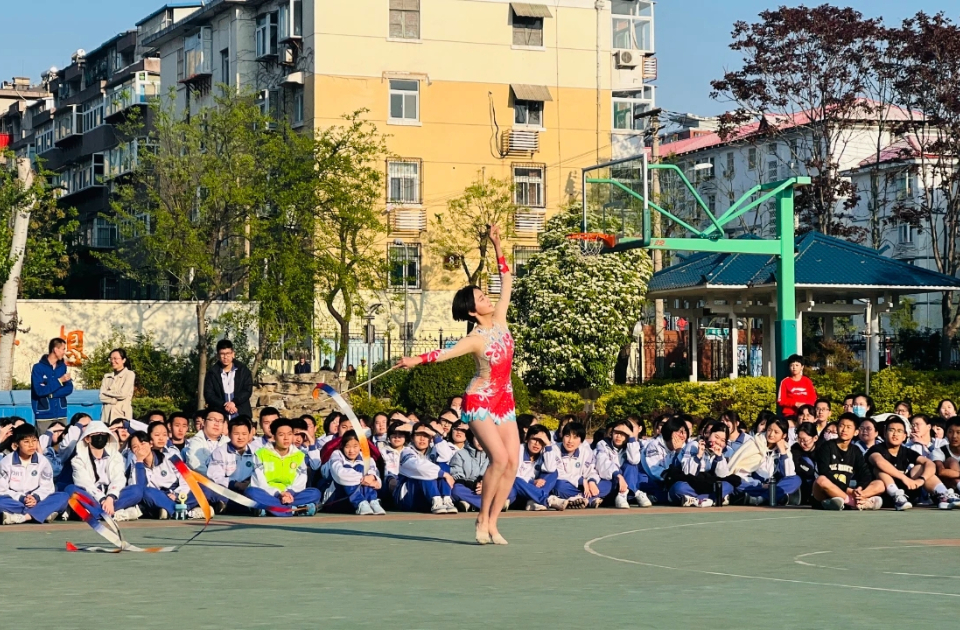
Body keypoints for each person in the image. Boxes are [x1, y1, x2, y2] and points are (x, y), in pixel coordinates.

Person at [397, 224, 518, 545]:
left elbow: (507, 280)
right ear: (472, 310)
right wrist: (414, 360)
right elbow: (444, 353)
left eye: (484, 294)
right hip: (479, 400)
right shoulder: (475, 338)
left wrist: (497, 244)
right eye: (480, 297)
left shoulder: (501, 318)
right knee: (499, 459)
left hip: (504, 399)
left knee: (513, 463)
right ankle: (481, 518)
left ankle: (493, 523)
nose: (487, 298)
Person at [867, 416, 960, 511]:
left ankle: (944, 495)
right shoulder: (876, 449)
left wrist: (921, 479)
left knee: (920, 467)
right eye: (891, 430)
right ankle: (896, 495)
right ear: (885, 433)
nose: (895, 434)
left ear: (904, 436)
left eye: (899, 431)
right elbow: (879, 462)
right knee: (880, 469)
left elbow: (929, 464)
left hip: (907, 495)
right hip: (883, 494)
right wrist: (904, 478)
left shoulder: (907, 451)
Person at [65, 421, 145, 522]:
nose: (100, 437)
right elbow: (85, 483)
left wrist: (110, 498)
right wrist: (102, 499)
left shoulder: (116, 456)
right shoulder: (78, 459)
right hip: (92, 496)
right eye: (96, 434)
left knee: (136, 490)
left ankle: (97, 513)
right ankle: (113, 513)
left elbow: (119, 478)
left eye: (103, 434)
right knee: (70, 489)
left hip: (113, 496)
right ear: (87, 438)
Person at [246, 418, 320, 516]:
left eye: (289, 434)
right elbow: (259, 482)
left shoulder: (299, 455)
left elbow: (300, 481)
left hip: (291, 495)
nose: (286, 438)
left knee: (315, 493)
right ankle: (294, 510)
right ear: (274, 436)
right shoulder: (261, 454)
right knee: (251, 492)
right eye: (281, 435)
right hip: (269, 494)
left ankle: (270, 509)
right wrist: (279, 494)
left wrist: (288, 493)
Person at [811, 414, 883, 511]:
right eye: (841, 426)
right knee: (821, 480)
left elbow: (865, 473)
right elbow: (824, 472)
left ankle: (859, 499)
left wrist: (860, 488)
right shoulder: (826, 447)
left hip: (846, 493)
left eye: (849, 427)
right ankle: (855, 503)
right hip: (825, 492)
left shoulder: (855, 451)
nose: (844, 430)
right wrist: (848, 490)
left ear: (856, 432)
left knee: (880, 484)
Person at [0, 424, 69, 524]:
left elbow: (47, 488)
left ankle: (23, 517)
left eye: (34, 440)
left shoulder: (43, 461)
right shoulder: (6, 462)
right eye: (26, 442)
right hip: (16, 501)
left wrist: (35, 497)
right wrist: (22, 498)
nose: (31, 445)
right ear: (15, 445)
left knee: (63, 496)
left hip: (37, 500)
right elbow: (2, 490)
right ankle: (43, 512)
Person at [731, 418, 802, 506]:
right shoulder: (754, 444)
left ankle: (762, 498)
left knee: (796, 480)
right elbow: (739, 474)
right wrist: (760, 485)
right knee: (737, 483)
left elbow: (789, 475)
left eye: (776, 432)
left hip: (773, 485)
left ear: (784, 435)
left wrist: (783, 452)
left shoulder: (785, 448)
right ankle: (774, 496)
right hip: (755, 485)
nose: (771, 434)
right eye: (769, 430)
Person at [393, 422, 456, 514]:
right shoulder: (406, 451)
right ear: (412, 438)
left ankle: (445, 499)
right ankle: (436, 500)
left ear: (431, 439)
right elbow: (418, 466)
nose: (422, 439)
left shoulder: (434, 449)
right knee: (425, 471)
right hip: (408, 498)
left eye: (426, 435)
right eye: (418, 435)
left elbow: (447, 457)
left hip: (425, 498)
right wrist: (444, 474)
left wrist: (436, 436)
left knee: (443, 464)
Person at [206, 416, 258, 514]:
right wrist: (235, 484)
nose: (240, 437)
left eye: (244, 434)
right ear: (229, 434)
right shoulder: (220, 452)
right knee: (208, 489)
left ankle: (231, 507)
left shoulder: (257, 452)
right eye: (236, 434)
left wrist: (249, 484)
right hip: (227, 491)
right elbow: (215, 477)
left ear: (249, 434)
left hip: (249, 489)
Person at [594, 419, 650, 508]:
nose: (618, 436)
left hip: (627, 484)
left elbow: (634, 460)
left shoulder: (632, 444)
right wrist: (618, 475)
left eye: (623, 433)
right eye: (616, 432)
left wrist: (631, 437)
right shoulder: (603, 444)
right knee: (602, 487)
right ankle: (635, 492)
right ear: (612, 433)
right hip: (611, 481)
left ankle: (623, 495)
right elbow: (603, 464)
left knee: (631, 465)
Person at [327, 430, 385, 515]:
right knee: (353, 470)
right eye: (347, 447)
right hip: (337, 499)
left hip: (357, 500)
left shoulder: (367, 458)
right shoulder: (337, 454)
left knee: (363, 469)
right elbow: (340, 474)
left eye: (355, 446)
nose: (351, 450)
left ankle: (372, 501)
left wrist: (372, 477)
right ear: (342, 446)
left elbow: (377, 480)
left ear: (361, 446)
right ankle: (360, 502)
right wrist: (365, 479)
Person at [545, 421, 599, 509]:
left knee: (606, 485)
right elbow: (558, 474)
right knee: (558, 486)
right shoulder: (554, 450)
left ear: (581, 441)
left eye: (575, 437)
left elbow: (591, 470)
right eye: (567, 436)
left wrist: (591, 481)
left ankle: (579, 499)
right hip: (567, 485)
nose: (570, 441)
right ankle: (587, 498)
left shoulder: (586, 451)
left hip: (584, 487)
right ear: (562, 436)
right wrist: (581, 480)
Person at [512, 424, 563, 511]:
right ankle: (546, 500)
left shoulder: (546, 451)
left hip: (533, 490)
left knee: (553, 473)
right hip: (518, 490)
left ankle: (534, 501)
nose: (537, 444)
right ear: (527, 439)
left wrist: (548, 445)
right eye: (534, 439)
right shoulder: (518, 450)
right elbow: (513, 475)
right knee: (515, 480)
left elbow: (550, 468)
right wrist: (532, 482)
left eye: (541, 441)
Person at [31, 338, 75, 433]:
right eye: (63, 349)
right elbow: (39, 391)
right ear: (55, 349)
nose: (64, 352)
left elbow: (69, 388)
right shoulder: (38, 368)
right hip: (44, 415)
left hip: (61, 414)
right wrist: (60, 381)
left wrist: (51, 394)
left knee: (62, 440)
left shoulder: (62, 367)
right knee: (44, 440)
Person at [203, 340, 254, 419]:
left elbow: (247, 390)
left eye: (228, 353)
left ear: (233, 354)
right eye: (222, 354)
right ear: (217, 355)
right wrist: (224, 404)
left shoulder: (243, 370)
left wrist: (234, 402)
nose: (225, 357)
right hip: (219, 415)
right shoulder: (212, 373)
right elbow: (209, 394)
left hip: (241, 413)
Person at [450, 428, 492, 513]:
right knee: (456, 490)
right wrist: (473, 485)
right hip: (468, 488)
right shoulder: (460, 454)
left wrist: (485, 485)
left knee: (510, 490)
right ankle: (489, 505)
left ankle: (470, 504)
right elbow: (457, 475)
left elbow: (495, 474)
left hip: (486, 487)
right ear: (471, 438)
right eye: (478, 438)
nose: (481, 442)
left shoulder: (492, 455)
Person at [183, 409, 230, 474]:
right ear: (203, 422)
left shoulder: (229, 442)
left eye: (220, 421)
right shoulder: (194, 442)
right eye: (213, 420)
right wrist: (216, 478)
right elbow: (195, 464)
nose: (217, 424)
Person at [98, 348, 135, 424]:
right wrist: (113, 400)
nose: (112, 361)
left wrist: (107, 392)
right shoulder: (107, 377)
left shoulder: (129, 374)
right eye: (111, 359)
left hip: (121, 415)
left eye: (115, 358)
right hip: (106, 416)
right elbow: (101, 396)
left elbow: (123, 394)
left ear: (123, 360)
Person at [791, 422, 819, 504]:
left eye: (805, 440)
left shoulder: (822, 450)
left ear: (815, 438)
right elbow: (796, 467)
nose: (802, 443)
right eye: (799, 439)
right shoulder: (795, 449)